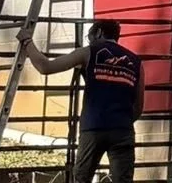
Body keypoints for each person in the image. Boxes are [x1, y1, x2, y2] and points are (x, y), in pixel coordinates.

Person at [20, 18, 143, 183]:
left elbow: (45, 67)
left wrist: (27, 41)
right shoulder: (136, 61)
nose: (89, 40)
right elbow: (139, 105)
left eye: (89, 36)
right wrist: (122, 120)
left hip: (93, 127)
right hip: (123, 129)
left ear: (98, 32)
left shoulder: (88, 52)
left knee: (82, 178)